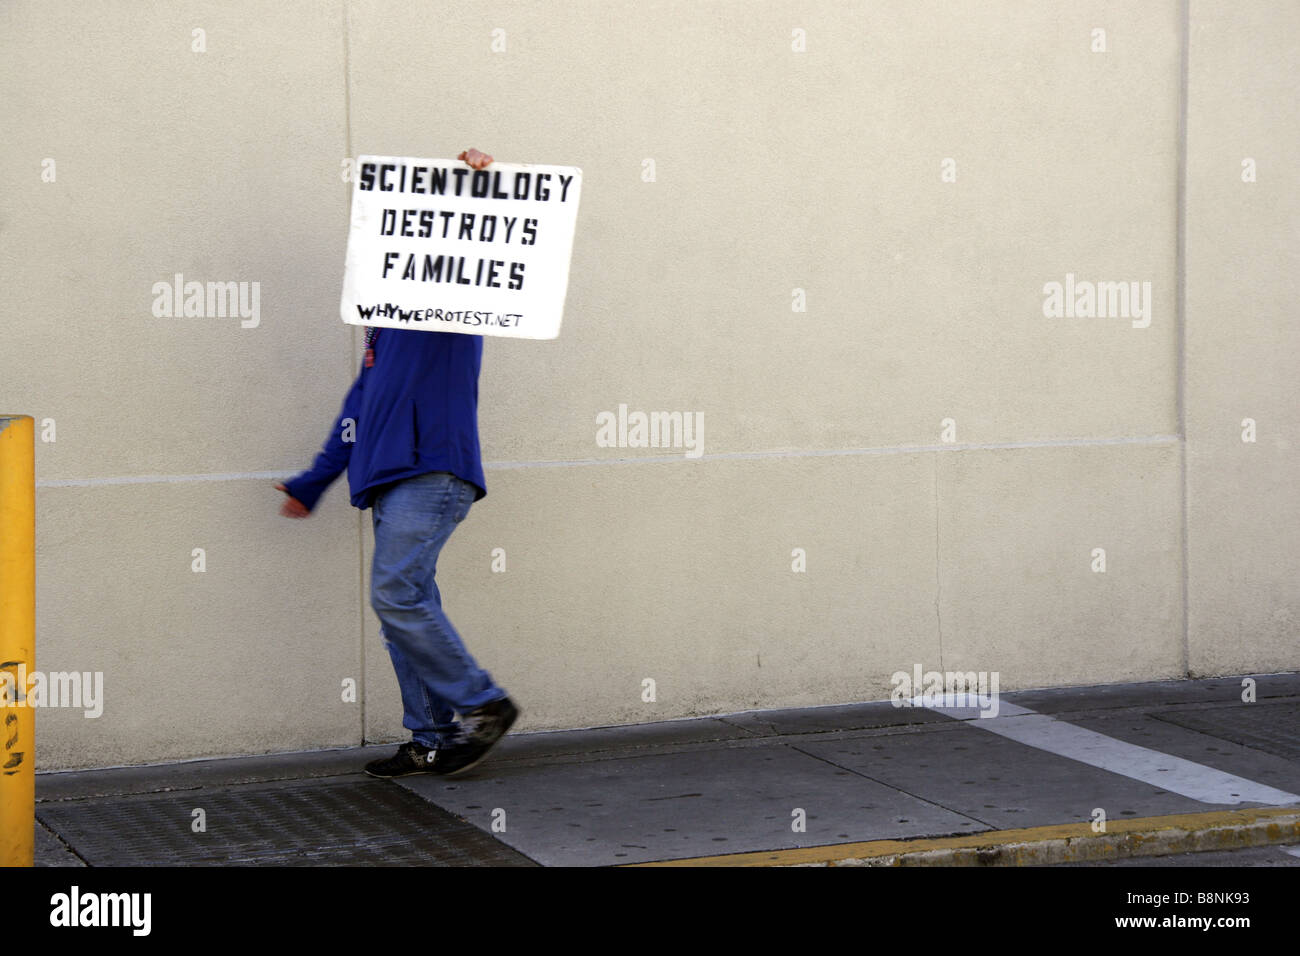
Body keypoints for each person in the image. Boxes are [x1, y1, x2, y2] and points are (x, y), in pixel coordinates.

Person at [276, 147, 518, 778]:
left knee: (395, 595)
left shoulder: (447, 308)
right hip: (390, 486)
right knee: (404, 614)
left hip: (432, 475)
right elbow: (354, 417)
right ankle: (433, 738)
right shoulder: (381, 335)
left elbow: (469, 252)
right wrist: (312, 483)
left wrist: (476, 192)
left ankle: (484, 704)